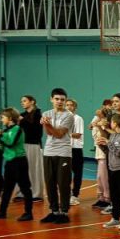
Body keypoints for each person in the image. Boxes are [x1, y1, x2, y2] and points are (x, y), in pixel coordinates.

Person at [0, 108, 34, 221]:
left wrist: (0, 136)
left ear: (9, 118)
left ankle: (28, 213)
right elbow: (3, 146)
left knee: (25, 188)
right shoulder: (6, 130)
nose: (1, 120)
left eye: (3, 117)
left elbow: (10, 143)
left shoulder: (17, 129)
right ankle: (2, 211)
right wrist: (0, 141)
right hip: (10, 162)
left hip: (19, 161)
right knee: (7, 188)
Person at [40, 88, 74, 224]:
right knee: (49, 182)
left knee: (63, 182)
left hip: (63, 152)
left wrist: (47, 124)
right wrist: (46, 124)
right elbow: (49, 133)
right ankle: (54, 211)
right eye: (57, 99)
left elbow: (59, 134)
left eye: (62, 99)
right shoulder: (46, 113)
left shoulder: (69, 116)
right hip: (48, 151)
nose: (59, 101)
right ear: (51, 99)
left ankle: (64, 212)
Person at [100, 113, 120, 230]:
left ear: (115, 123)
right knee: (114, 196)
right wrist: (102, 145)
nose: (110, 124)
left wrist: (108, 143)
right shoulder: (113, 135)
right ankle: (115, 218)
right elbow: (110, 152)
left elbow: (119, 152)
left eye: (111, 122)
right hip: (112, 168)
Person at [18, 95, 44, 201]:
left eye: (24, 101)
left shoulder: (38, 115)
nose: (22, 103)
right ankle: (22, 192)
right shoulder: (21, 115)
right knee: (22, 170)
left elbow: (36, 132)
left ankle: (36, 194)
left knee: (34, 170)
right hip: (22, 145)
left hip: (34, 145)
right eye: (21, 101)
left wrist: (23, 121)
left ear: (32, 102)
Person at [90, 100, 113, 210]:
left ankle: (107, 198)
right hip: (99, 150)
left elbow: (105, 135)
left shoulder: (107, 122)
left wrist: (100, 125)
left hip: (105, 151)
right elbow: (90, 127)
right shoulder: (97, 120)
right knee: (99, 177)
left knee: (104, 176)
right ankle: (101, 197)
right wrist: (96, 122)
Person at [66, 99, 85, 206]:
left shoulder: (78, 119)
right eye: (67, 105)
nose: (69, 107)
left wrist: (63, 132)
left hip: (76, 149)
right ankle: (67, 194)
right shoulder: (63, 119)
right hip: (65, 149)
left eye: (71, 105)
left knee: (77, 173)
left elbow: (78, 134)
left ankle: (75, 195)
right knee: (66, 174)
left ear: (75, 107)